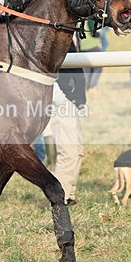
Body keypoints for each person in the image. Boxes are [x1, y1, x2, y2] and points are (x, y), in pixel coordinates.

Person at [43, 37, 86, 205]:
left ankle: (66, 193)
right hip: (62, 97)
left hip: (66, 96)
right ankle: (62, 197)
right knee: (70, 150)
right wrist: (68, 95)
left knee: (74, 150)